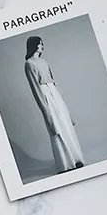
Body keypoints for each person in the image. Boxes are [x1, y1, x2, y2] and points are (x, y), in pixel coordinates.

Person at [23, 35, 84, 174]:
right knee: (57, 128)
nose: (42, 46)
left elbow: (53, 81)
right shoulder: (29, 64)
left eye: (42, 44)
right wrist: (45, 110)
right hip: (45, 95)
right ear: (34, 45)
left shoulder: (43, 62)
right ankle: (66, 164)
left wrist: (61, 101)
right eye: (40, 44)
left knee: (66, 125)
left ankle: (76, 159)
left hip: (54, 93)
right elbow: (35, 88)